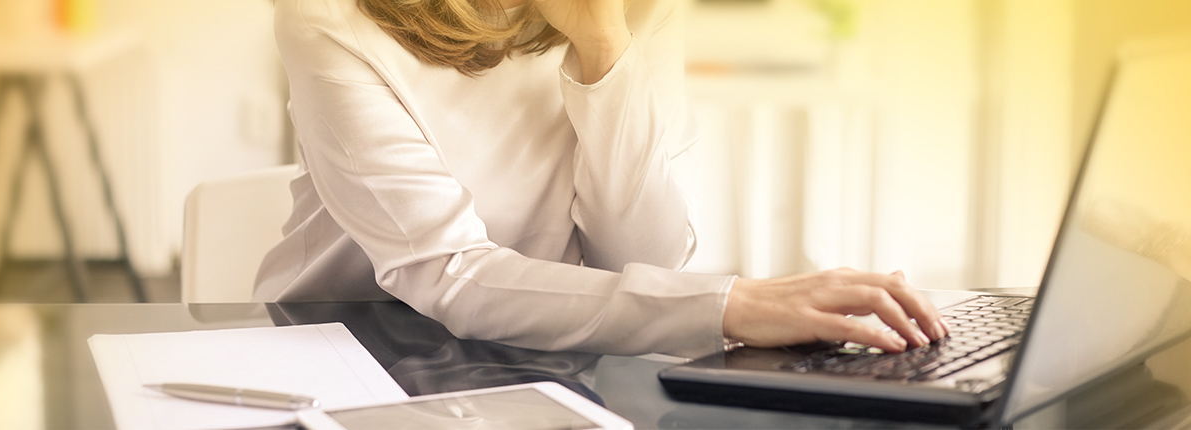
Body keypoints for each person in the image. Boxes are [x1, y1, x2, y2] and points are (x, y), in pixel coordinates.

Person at [255, 0, 949, 358]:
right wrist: (730, 304)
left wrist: (604, 45)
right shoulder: (326, 13)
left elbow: (641, 262)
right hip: (347, 340)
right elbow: (447, 273)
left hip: (544, 344)